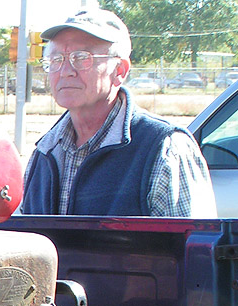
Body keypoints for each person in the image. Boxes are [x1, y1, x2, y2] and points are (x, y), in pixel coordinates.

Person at [20, 8, 216, 218]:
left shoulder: (165, 149)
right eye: (56, 59)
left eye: (81, 57)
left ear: (120, 70)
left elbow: (194, 247)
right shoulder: (44, 153)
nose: (66, 70)